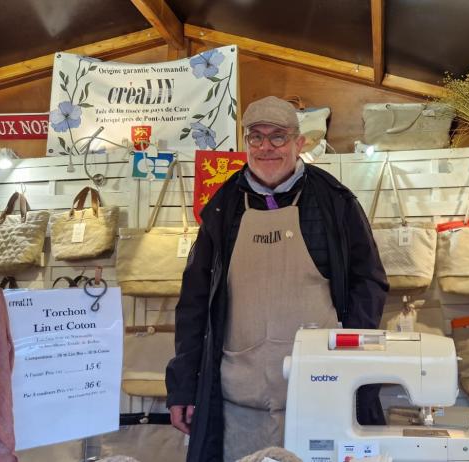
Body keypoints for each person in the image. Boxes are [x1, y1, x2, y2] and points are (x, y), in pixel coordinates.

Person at [166, 96, 389, 461]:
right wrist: (182, 388)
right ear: (245, 144)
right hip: (237, 403)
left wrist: (352, 354)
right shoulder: (222, 209)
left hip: (320, 397)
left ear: (299, 143)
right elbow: (193, 303)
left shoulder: (335, 202)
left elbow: (370, 282)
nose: (266, 147)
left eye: (278, 137)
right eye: (256, 137)